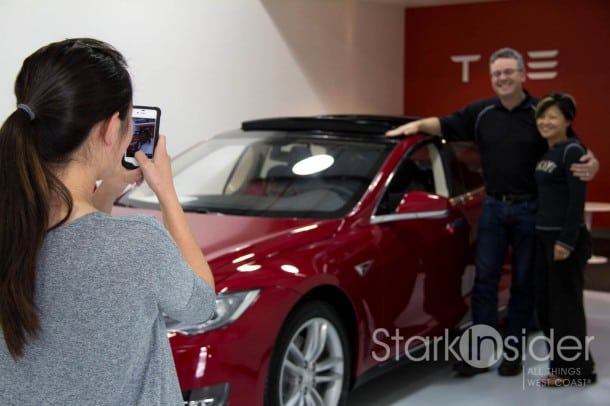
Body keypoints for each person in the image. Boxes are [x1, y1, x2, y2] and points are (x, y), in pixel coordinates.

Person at [0, 38, 216, 405]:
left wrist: (110, 185)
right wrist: (166, 193)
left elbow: (78, 237)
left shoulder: (12, 229)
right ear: (110, 128)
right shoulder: (139, 243)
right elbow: (200, 304)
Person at [386, 47, 599, 377]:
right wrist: (411, 127)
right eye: (497, 74)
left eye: (509, 72)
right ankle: (479, 353)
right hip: (493, 208)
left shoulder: (541, 112)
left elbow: (573, 148)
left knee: (523, 284)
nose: (502, 78)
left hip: (532, 209)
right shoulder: (481, 112)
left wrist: (593, 162)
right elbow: (443, 124)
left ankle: (512, 353)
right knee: (484, 281)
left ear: (522, 74)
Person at [533, 92, 596, 387]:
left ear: (567, 121)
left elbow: (576, 202)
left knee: (565, 308)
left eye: (553, 117)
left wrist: (566, 241)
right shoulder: (549, 151)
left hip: (565, 241)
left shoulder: (573, 150)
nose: (545, 122)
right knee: (547, 307)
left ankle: (575, 371)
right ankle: (566, 365)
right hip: (544, 238)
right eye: (542, 116)